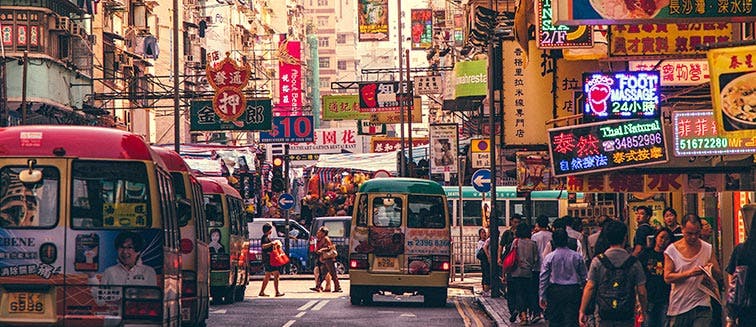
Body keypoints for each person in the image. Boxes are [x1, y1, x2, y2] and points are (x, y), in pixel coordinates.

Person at [579, 220, 648, 327]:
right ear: (625, 238)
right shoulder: (634, 262)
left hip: (604, 314)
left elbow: (590, 287)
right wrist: (643, 312)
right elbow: (642, 291)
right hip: (626, 314)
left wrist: (582, 310)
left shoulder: (598, 261)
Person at [664, 214, 722, 327]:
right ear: (682, 229)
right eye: (689, 234)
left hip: (702, 304)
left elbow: (718, 274)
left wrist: (710, 270)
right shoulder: (672, 250)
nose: (693, 237)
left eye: (696, 233)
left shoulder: (707, 248)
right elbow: (667, 277)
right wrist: (690, 273)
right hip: (679, 306)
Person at [540, 228, 587, 327]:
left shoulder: (549, 257)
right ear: (567, 240)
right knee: (572, 320)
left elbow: (544, 278)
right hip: (573, 291)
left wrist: (542, 295)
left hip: (555, 291)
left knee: (555, 320)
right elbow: (584, 276)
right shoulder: (576, 256)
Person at [725, 204, 756, 327]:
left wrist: (731, 316)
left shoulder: (743, 249)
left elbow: (736, 283)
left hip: (748, 311)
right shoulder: (743, 249)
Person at [507, 223, 541, 324]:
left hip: (516, 272)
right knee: (527, 293)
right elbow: (536, 259)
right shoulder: (533, 244)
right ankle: (524, 312)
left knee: (519, 293)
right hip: (528, 272)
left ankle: (523, 316)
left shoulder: (516, 242)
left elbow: (511, 255)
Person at [639, 229, 673, 327]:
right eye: (661, 237)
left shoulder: (670, 256)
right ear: (656, 237)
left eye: (667, 239)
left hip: (665, 296)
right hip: (649, 296)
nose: (663, 241)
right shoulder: (645, 254)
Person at [313, 226, 342, 292]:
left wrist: (322, 250)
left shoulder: (326, 238)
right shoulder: (320, 239)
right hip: (324, 259)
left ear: (323, 233)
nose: (318, 232)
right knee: (323, 273)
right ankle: (318, 286)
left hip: (329, 259)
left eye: (319, 231)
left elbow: (330, 247)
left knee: (332, 273)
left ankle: (338, 288)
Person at [259, 223, 284, 297]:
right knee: (276, 274)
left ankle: (262, 292)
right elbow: (263, 246)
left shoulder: (266, 237)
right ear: (268, 230)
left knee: (267, 276)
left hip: (268, 259)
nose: (271, 231)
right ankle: (277, 292)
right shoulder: (264, 238)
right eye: (271, 229)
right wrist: (272, 243)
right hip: (269, 259)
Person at [475, 228, 491, 294]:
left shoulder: (486, 241)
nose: (484, 234)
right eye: (482, 233)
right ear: (479, 235)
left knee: (486, 274)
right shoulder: (481, 242)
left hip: (486, 260)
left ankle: (485, 289)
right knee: (485, 274)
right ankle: (485, 290)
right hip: (484, 260)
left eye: (485, 232)